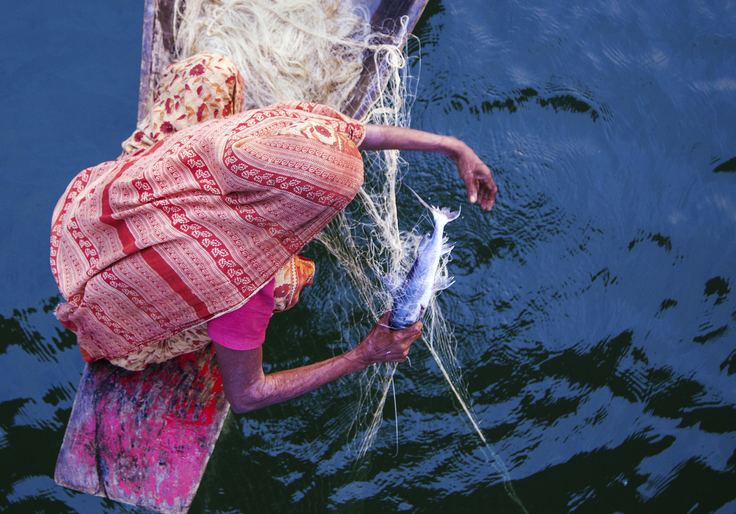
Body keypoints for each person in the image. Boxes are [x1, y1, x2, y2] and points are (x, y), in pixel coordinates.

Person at [50, 53, 496, 413]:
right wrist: (363, 354)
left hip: (85, 223)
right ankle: (135, 327)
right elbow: (247, 395)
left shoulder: (226, 142)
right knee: (288, 280)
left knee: (211, 74)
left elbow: (349, 133)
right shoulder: (241, 280)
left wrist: (451, 146)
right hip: (120, 321)